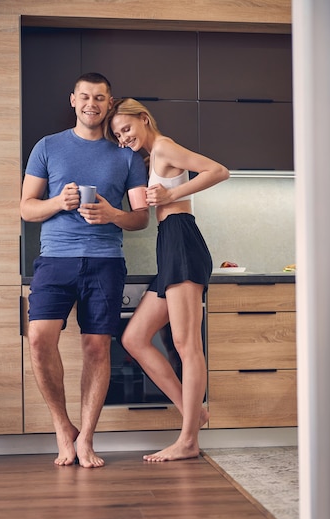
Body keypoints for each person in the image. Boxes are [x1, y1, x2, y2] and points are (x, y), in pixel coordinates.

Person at [20, 74, 149, 468]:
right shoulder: (48, 146)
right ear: (73, 100)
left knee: (96, 348)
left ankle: (87, 438)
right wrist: (58, 202)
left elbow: (142, 218)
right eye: (85, 96)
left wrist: (113, 214)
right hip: (55, 259)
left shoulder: (126, 155)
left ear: (109, 105)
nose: (91, 103)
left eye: (100, 98)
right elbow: (26, 208)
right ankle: (64, 429)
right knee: (39, 340)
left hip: (105, 261)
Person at [104, 98, 229, 462]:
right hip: (170, 244)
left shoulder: (164, 147)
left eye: (126, 129)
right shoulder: (151, 156)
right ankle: (195, 414)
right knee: (134, 337)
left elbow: (219, 171)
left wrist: (172, 194)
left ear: (144, 119)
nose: (123, 138)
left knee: (187, 345)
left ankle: (188, 440)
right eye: (118, 135)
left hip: (182, 241)